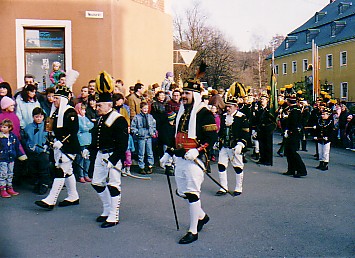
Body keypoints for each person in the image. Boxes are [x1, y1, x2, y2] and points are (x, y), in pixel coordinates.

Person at [160, 76, 218, 244]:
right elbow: (176, 136)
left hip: (196, 159)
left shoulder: (204, 113)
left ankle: (193, 231)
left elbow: (212, 137)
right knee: (182, 192)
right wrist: (168, 153)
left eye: (187, 93)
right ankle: (201, 216)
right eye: (183, 93)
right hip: (181, 157)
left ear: (195, 94)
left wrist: (198, 150)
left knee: (192, 193)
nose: (184, 96)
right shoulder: (182, 112)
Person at [90, 71, 128, 228]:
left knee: (113, 185)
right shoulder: (100, 119)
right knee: (97, 182)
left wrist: (114, 160)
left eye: (99, 105)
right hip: (101, 154)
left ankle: (114, 215)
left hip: (113, 156)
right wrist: (90, 151)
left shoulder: (118, 120)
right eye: (97, 105)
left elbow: (122, 143)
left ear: (109, 105)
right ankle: (106, 210)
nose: (97, 107)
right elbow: (97, 137)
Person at [35, 85, 81, 209]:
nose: (54, 100)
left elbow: (73, 131)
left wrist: (62, 142)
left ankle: (51, 199)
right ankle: (73, 196)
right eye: (54, 98)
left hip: (69, 147)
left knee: (61, 171)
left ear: (63, 99)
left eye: (56, 98)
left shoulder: (70, 112)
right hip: (58, 147)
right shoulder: (55, 112)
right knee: (68, 171)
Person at [215, 97, 249, 196]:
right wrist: (217, 141)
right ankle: (223, 187)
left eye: (230, 107)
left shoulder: (242, 117)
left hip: (235, 146)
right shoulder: (223, 116)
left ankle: (238, 188)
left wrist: (241, 144)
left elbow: (246, 132)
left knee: (238, 167)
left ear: (236, 107)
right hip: (224, 146)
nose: (228, 109)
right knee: (221, 166)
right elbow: (221, 131)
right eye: (227, 107)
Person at [23, 107, 50, 195]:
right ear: (33, 117)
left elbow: (50, 138)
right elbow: (25, 139)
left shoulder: (47, 126)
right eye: (36, 117)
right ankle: (37, 183)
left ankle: (44, 184)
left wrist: (47, 146)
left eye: (40, 117)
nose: (38, 119)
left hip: (43, 152)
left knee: (44, 168)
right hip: (32, 152)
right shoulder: (28, 127)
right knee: (34, 169)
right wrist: (29, 146)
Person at [0, 119, 27, 198]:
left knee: (10, 173)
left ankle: (9, 187)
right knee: (3, 173)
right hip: (2, 158)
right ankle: (2, 189)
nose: (2, 128)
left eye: (4, 127)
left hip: (11, 158)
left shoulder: (13, 137)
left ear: (10, 128)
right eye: (1, 127)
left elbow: (17, 146)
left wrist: (21, 155)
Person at [282, 97, 308, 178]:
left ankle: (301, 170)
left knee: (293, 152)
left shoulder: (295, 111)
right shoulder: (293, 110)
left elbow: (294, 123)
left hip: (293, 134)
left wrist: (288, 130)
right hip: (291, 132)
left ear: (289, 102)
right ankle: (291, 169)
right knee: (288, 152)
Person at [131, 101, 157, 174]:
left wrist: (152, 132)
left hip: (149, 137)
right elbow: (133, 127)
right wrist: (138, 133)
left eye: (147, 108)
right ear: (141, 109)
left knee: (150, 152)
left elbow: (153, 125)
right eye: (144, 108)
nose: (145, 110)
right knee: (141, 152)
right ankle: (141, 167)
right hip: (141, 137)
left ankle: (150, 166)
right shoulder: (137, 117)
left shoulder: (150, 117)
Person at [254, 95, 276, 166]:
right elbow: (257, 120)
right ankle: (262, 158)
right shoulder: (260, 110)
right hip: (261, 129)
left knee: (268, 145)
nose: (262, 101)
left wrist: (269, 129)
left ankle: (268, 160)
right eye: (261, 99)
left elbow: (273, 121)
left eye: (263, 99)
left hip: (267, 130)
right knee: (261, 145)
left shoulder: (270, 110)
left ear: (267, 100)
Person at [75, 103, 94, 183]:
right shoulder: (77, 118)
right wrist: (87, 127)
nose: (84, 111)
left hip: (87, 140)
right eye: (82, 110)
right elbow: (82, 127)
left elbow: (92, 125)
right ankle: (81, 175)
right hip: (81, 141)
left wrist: (86, 127)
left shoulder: (85, 118)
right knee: (81, 159)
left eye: (84, 110)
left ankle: (86, 174)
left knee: (87, 159)